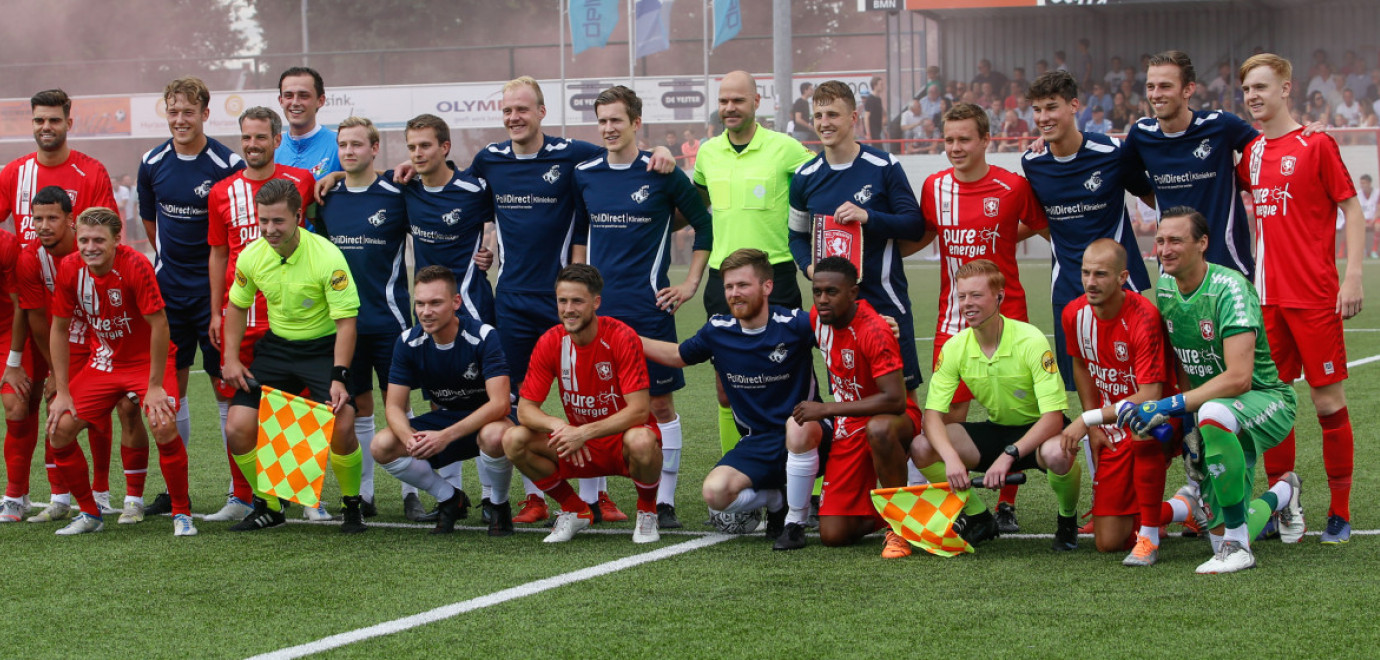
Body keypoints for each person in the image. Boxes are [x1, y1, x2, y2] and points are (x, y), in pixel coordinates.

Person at [466, 77, 676, 523]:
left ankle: (597, 494)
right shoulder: (489, 161)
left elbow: (623, 158)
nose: (514, 118)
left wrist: (662, 152)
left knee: (592, 395)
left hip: (564, 297)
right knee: (524, 398)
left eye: (522, 109)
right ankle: (537, 498)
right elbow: (454, 192)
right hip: (513, 299)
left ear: (542, 112)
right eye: (507, 111)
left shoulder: (574, 156)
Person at [1124, 207, 1301, 573]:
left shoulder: (1231, 288)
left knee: (1214, 413)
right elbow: (1185, 362)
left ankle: (1238, 549)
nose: (1165, 249)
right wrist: (1188, 425)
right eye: (1159, 241)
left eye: (1175, 240)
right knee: (1217, 533)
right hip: (1213, 414)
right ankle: (1283, 493)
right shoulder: (1168, 287)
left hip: (1267, 400)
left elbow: (1239, 378)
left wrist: (1171, 406)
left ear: (1203, 243)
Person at [573, 86, 713, 529]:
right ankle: (592, 500)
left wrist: (690, 283)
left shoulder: (661, 170)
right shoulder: (586, 173)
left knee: (659, 405)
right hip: (597, 310)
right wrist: (576, 294)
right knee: (592, 403)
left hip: (649, 309)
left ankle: (664, 501)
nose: (609, 128)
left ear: (636, 123)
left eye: (617, 120)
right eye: (603, 121)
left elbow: (706, 225)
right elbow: (579, 234)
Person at [1237, 53, 1363, 544]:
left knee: (1327, 401)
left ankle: (1341, 510)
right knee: (1273, 402)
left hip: (1313, 297)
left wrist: (1351, 276)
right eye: (1247, 89)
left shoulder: (1317, 144)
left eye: (1262, 87)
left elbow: (1350, 208)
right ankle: (1280, 505)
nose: (1253, 96)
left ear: (1286, 88)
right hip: (1265, 300)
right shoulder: (1249, 155)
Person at [914, 102, 1048, 532]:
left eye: (964, 139)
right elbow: (920, 236)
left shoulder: (1012, 187)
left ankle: (1007, 501)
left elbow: (1046, 228)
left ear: (986, 140)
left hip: (1009, 318)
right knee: (945, 422)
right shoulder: (934, 188)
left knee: (1016, 414)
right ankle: (965, 510)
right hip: (951, 322)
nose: (955, 147)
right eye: (949, 140)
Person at [641, 249, 825, 547]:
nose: (734, 294)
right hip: (758, 441)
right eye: (729, 287)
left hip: (812, 436)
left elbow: (842, 329)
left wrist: (878, 323)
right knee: (715, 493)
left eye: (743, 285)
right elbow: (677, 356)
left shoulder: (795, 324)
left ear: (767, 286)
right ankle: (777, 497)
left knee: (799, 425)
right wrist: (629, 339)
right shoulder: (718, 331)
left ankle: (795, 521)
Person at [220, 179, 365, 534]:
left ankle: (352, 505)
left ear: (299, 217)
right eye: (263, 221)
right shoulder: (252, 256)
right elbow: (236, 308)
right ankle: (269, 505)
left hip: (324, 348)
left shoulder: (328, 256)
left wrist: (339, 374)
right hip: (278, 347)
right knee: (237, 427)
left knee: (342, 425)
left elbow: (346, 323)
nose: (269, 229)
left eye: (278, 222)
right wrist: (231, 358)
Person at [0, 90, 120, 520]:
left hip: (85, 317)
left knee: (96, 405)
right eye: (38, 121)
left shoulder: (91, 172)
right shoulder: (13, 173)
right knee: (20, 403)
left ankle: (99, 493)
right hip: (31, 313)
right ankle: (19, 496)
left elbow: (104, 240)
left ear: (69, 121)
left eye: (53, 119)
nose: (45, 127)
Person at [912, 259, 1082, 550]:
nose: (967, 304)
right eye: (962, 296)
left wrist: (1009, 455)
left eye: (976, 295)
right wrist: (951, 458)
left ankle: (1067, 519)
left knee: (1058, 452)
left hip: (1040, 433)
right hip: (997, 431)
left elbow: (1054, 417)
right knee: (923, 446)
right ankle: (979, 516)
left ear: (999, 297)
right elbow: (932, 417)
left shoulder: (1030, 340)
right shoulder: (955, 347)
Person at [3, 187, 149, 524]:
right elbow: (40, 320)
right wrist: (56, 371)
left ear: (71, 221)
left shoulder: (92, 246)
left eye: (52, 218)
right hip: (63, 339)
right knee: (58, 405)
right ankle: (59, 497)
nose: (43, 225)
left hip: (104, 336)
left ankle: (105, 494)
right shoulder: (30, 259)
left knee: (119, 409)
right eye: (36, 219)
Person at [45, 207, 194, 537]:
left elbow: (160, 326)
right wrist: (63, 392)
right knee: (59, 429)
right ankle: (89, 513)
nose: (89, 247)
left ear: (116, 240)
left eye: (98, 240)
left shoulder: (136, 265)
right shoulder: (70, 268)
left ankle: (182, 513)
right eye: (83, 239)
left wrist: (155, 386)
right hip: (104, 362)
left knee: (163, 424)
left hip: (146, 363)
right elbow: (58, 329)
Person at [692, 70, 816, 460]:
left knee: (795, 382)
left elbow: (821, 188)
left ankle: (810, 483)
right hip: (722, 282)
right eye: (724, 101)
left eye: (738, 100)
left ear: (756, 102)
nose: (730, 108)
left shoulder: (787, 149)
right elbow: (694, 208)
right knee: (726, 385)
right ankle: (737, 464)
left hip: (775, 277)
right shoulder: (707, 152)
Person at [137, 76, 246, 517]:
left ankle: (240, 494)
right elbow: (150, 222)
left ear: (204, 113)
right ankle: (174, 493)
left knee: (225, 388)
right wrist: (170, 263)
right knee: (171, 389)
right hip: (169, 293)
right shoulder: (151, 162)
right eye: (173, 111)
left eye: (188, 112)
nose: (180, 120)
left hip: (215, 295)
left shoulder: (227, 163)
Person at [203, 106, 317, 523]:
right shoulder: (221, 192)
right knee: (239, 403)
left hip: (292, 315)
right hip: (242, 316)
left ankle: (302, 496)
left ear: (276, 139)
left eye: (261, 138)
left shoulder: (300, 182)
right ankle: (243, 496)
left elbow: (314, 237)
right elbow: (218, 253)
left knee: (295, 406)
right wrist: (218, 311)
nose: (253, 145)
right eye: (246, 138)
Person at [501, 264, 663, 544]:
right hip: (577, 443)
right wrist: (561, 427)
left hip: (618, 440)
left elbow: (638, 410)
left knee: (642, 440)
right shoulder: (550, 341)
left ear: (595, 302)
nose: (568, 309)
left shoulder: (622, 337)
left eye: (577, 301)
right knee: (514, 439)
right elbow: (526, 409)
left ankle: (647, 511)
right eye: (562, 301)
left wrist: (584, 432)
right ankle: (575, 510)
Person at [787, 80, 926, 399]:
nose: (825, 123)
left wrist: (869, 217)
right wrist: (810, 269)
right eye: (819, 115)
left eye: (833, 114)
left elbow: (914, 225)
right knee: (847, 392)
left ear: (853, 116)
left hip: (884, 299)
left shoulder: (884, 167)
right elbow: (795, 236)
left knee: (902, 395)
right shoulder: (804, 177)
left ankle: (907, 451)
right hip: (834, 305)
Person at [1022, 70, 1155, 392]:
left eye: (1052, 107)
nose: (1043, 117)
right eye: (1037, 109)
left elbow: (1149, 194)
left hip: (1122, 284)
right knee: (1081, 383)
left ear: (1074, 106)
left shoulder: (1113, 153)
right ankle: (1094, 440)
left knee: (1135, 377)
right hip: (1067, 286)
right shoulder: (1033, 162)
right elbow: (1039, 219)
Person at [1057, 240, 1180, 565]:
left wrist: (1089, 420)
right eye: (1085, 273)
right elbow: (1080, 364)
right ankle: (1183, 507)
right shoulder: (1074, 314)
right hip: (1112, 423)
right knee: (1108, 542)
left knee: (1144, 423)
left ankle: (1156, 522)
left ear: (1123, 277)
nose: (1090, 282)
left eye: (1101, 274)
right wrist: (1093, 419)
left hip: (1158, 418)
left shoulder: (1144, 317)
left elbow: (1151, 395)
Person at [315, 116, 413, 519]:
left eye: (358, 144)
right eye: (343, 145)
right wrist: (333, 176)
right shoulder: (327, 198)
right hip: (344, 327)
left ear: (375, 149)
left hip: (390, 322)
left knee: (401, 407)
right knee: (355, 408)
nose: (350, 151)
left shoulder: (398, 193)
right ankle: (366, 494)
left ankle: (412, 493)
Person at [791, 257, 923, 556]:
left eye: (832, 292)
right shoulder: (818, 319)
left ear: (853, 293)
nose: (823, 299)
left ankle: (898, 528)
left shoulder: (874, 330)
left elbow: (896, 400)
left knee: (878, 428)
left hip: (892, 419)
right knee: (834, 534)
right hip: (850, 423)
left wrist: (824, 409)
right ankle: (905, 505)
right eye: (817, 291)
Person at [373, 266, 513, 534]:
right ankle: (450, 498)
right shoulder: (407, 342)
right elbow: (393, 405)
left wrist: (445, 436)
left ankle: (499, 504)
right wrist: (408, 439)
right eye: (420, 303)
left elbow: (500, 404)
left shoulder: (483, 336)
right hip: (449, 418)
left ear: (455, 302)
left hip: (491, 418)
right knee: (383, 445)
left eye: (436, 303)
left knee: (494, 436)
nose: (426, 312)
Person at [1123, 51, 1259, 278]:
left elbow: (1268, 148)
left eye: (1165, 86)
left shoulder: (1221, 126)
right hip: (1174, 278)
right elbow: (1127, 175)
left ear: (1188, 89)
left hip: (1228, 270)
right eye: (1150, 87)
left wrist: (1305, 131)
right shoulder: (1141, 135)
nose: (1155, 95)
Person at [275, 66, 342, 179]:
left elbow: (368, 178)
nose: (295, 102)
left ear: (320, 101)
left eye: (304, 96)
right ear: (281, 101)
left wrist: (339, 176)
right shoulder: (272, 148)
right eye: (288, 96)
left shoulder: (340, 145)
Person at [861, 76, 887, 147]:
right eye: (881, 85)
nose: (882, 87)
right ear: (875, 86)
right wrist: (868, 133)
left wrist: (884, 130)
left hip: (878, 130)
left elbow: (879, 117)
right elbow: (866, 117)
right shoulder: (870, 99)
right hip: (872, 131)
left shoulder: (878, 99)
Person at [1358, 174, 1379, 258]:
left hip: (1374, 219)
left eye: (1364, 183)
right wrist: (1362, 222)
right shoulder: (1358, 194)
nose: (1362, 185)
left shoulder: (1377, 193)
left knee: (1378, 226)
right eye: (1361, 183)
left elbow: (1378, 210)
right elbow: (1356, 211)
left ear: (1369, 183)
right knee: (1356, 227)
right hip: (1362, 219)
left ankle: (1374, 250)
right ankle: (1362, 250)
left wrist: (1372, 221)